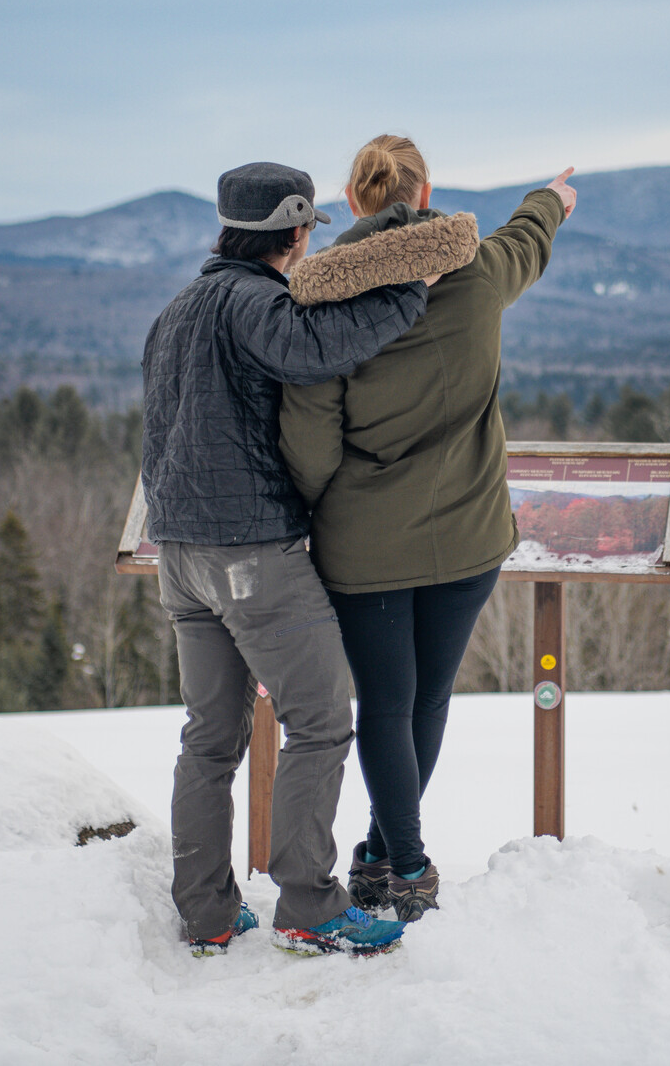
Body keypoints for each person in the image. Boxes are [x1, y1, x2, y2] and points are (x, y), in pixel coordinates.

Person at [141, 160, 471, 958]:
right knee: (321, 722)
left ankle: (207, 910)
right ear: (291, 230)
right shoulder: (256, 301)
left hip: (179, 551)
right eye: (307, 229)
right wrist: (411, 285)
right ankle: (310, 904)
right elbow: (319, 348)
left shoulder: (178, 307)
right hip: (250, 549)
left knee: (210, 736)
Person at [279, 135, 576, 922]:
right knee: (427, 703)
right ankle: (386, 856)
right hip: (469, 533)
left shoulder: (323, 297)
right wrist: (551, 200)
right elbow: (527, 241)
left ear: (354, 201)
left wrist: (307, 505)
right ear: (427, 189)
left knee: (384, 703)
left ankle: (398, 860)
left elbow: (310, 434)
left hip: (364, 542)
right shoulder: (477, 271)